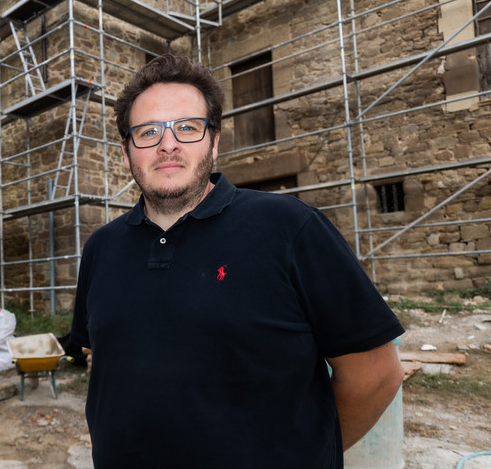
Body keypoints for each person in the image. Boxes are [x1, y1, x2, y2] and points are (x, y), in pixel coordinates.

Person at [70, 54, 404, 468]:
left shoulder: (290, 228)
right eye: (148, 132)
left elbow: (376, 374)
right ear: (126, 152)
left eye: (187, 128)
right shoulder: (101, 248)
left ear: (214, 141)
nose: (167, 144)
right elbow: (101, 360)